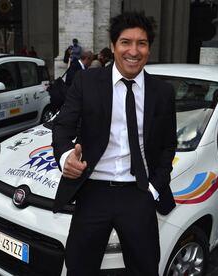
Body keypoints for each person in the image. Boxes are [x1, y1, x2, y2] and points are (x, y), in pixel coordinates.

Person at [52, 12, 177, 276]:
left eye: (141, 43)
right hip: (93, 190)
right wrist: (66, 158)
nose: (134, 51)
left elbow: (168, 145)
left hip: (139, 192)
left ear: (149, 49)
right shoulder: (86, 82)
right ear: (113, 46)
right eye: (125, 42)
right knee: (78, 267)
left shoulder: (163, 92)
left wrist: (154, 188)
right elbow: (63, 126)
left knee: (145, 267)